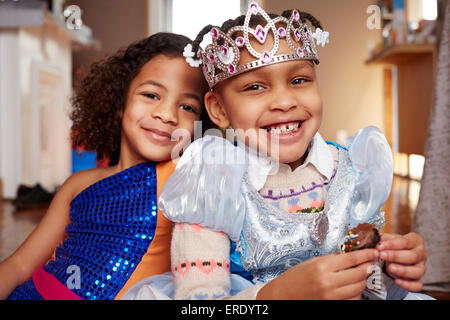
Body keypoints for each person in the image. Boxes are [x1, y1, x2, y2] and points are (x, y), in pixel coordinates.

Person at [122, 3, 430, 300]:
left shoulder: (354, 169)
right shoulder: (212, 183)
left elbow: (372, 288)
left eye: (299, 80)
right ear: (218, 109)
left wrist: (390, 272)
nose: (284, 101)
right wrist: (278, 294)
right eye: (255, 87)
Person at [0, 32, 208, 300]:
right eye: (151, 95)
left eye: (187, 107)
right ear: (120, 102)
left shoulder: (185, 176)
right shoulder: (79, 183)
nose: (167, 115)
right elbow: (19, 265)